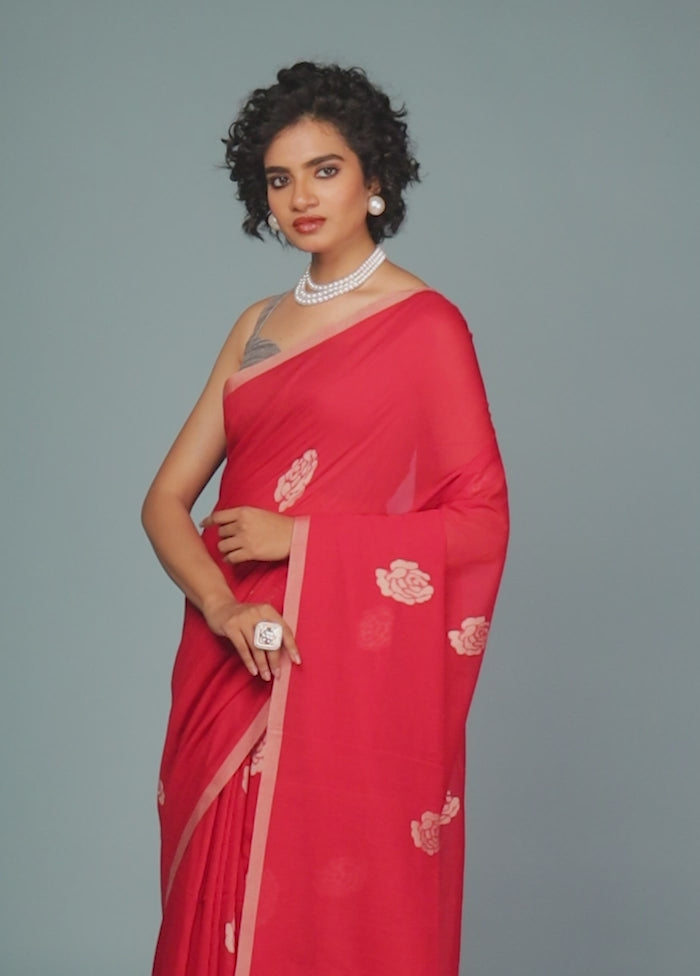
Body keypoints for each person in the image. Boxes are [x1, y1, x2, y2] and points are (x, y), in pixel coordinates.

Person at [142, 61, 509, 976]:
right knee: (215, 897)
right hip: (230, 660)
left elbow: (479, 522)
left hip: (332, 660)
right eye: (280, 178)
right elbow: (164, 502)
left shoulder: (426, 325)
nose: (301, 197)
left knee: (319, 902)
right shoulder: (256, 326)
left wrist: (299, 540)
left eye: (325, 169)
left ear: (374, 177)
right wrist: (224, 608)